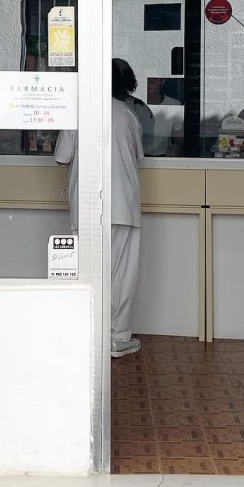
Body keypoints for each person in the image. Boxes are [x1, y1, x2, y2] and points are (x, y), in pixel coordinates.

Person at [110, 59, 145, 357]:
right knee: (121, 272)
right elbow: (138, 156)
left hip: (85, 203)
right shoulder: (128, 114)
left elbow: (61, 157)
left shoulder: (81, 110)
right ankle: (117, 337)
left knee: (88, 271)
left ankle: (90, 333)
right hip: (122, 201)